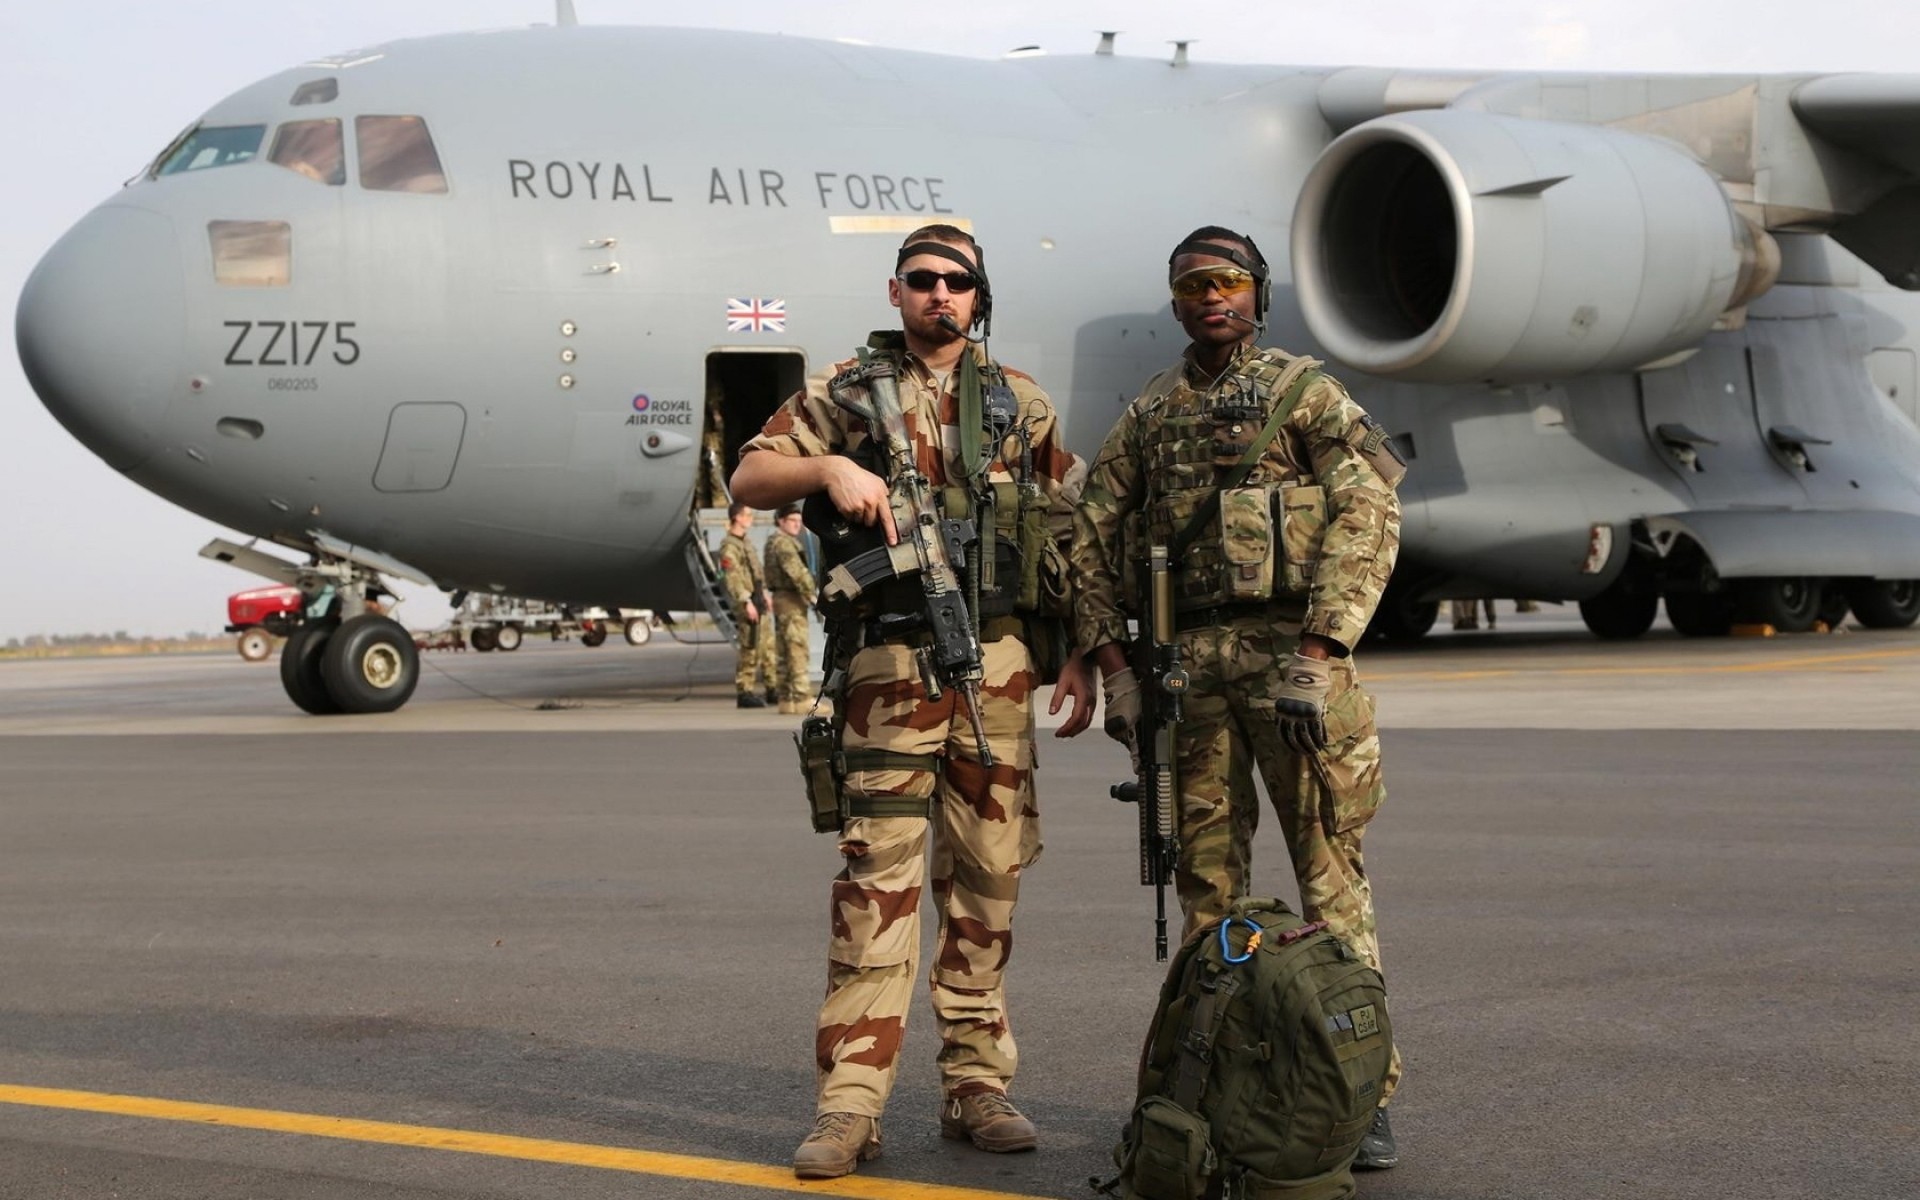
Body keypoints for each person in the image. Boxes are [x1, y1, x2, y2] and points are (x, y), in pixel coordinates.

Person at [730, 224, 1094, 1180]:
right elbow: (748, 473)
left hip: (1002, 677)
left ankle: (978, 1085)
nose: (941, 295)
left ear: (979, 295)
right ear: (896, 292)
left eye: (959, 281)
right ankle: (851, 1103)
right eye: (923, 280)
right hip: (888, 677)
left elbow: (1071, 530)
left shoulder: (1021, 404)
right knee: (875, 890)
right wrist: (827, 469)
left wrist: (1084, 654)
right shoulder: (845, 393)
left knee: (986, 887)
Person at [1067, 226, 1408, 1170]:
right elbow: (1087, 532)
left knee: (1327, 874)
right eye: (1191, 286)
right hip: (1188, 670)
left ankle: (1358, 1091)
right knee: (1207, 886)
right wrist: (1116, 666)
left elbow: (1370, 509)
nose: (1210, 297)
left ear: (1256, 296)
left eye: (1227, 282)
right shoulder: (1150, 414)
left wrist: (1321, 644)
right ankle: (1221, 1083)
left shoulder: (1306, 395)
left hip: (1292, 660)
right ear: (1175, 302)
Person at [716, 502, 777, 707]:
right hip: (748, 601)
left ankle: (772, 688)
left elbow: (756, 571)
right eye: (748, 515)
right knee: (750, 647)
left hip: (758, 597)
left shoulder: (746, 543)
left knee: (768, 646)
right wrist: (745, 601)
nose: (751, 519)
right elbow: (731, 577)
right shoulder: (729, 547)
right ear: (738, 518)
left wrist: (765, 594)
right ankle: (745, 691)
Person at [765, 502, 818, 714]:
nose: (797, 525)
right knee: (797, 649)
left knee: (784, 651)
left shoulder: (772, 542)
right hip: (791, 600)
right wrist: (812, 595)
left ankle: (787, 699)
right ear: (781, 521)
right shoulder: (785, 544)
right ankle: (802, 698)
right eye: (792, 521)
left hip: (781, 599)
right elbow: (797, 573)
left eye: (799, 521)